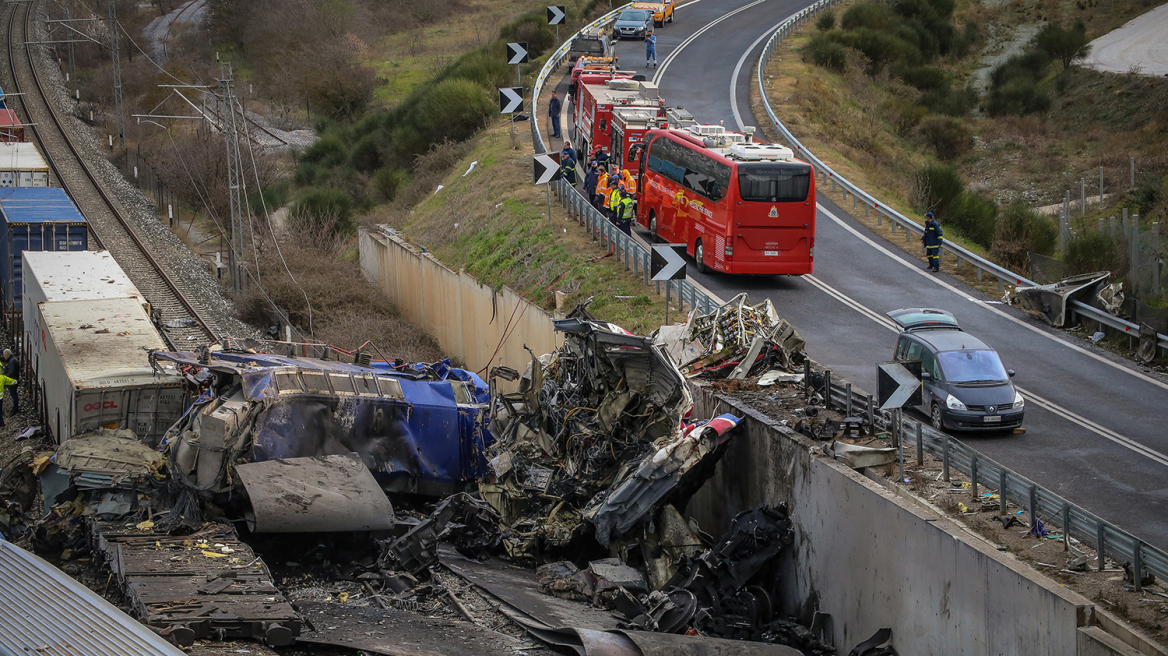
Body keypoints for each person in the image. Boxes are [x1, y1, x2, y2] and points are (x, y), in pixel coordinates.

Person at [2, 349, 17, 415]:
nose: (4, 356)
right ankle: (15, 408)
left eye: (4, 355)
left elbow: (11, 372)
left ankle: (15, 409)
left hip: (11, 381)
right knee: (14, 395)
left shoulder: (12, 361)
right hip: (12, 380)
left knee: (14, 395)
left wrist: (4, 378)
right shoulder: (12, 360)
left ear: (7, 355)